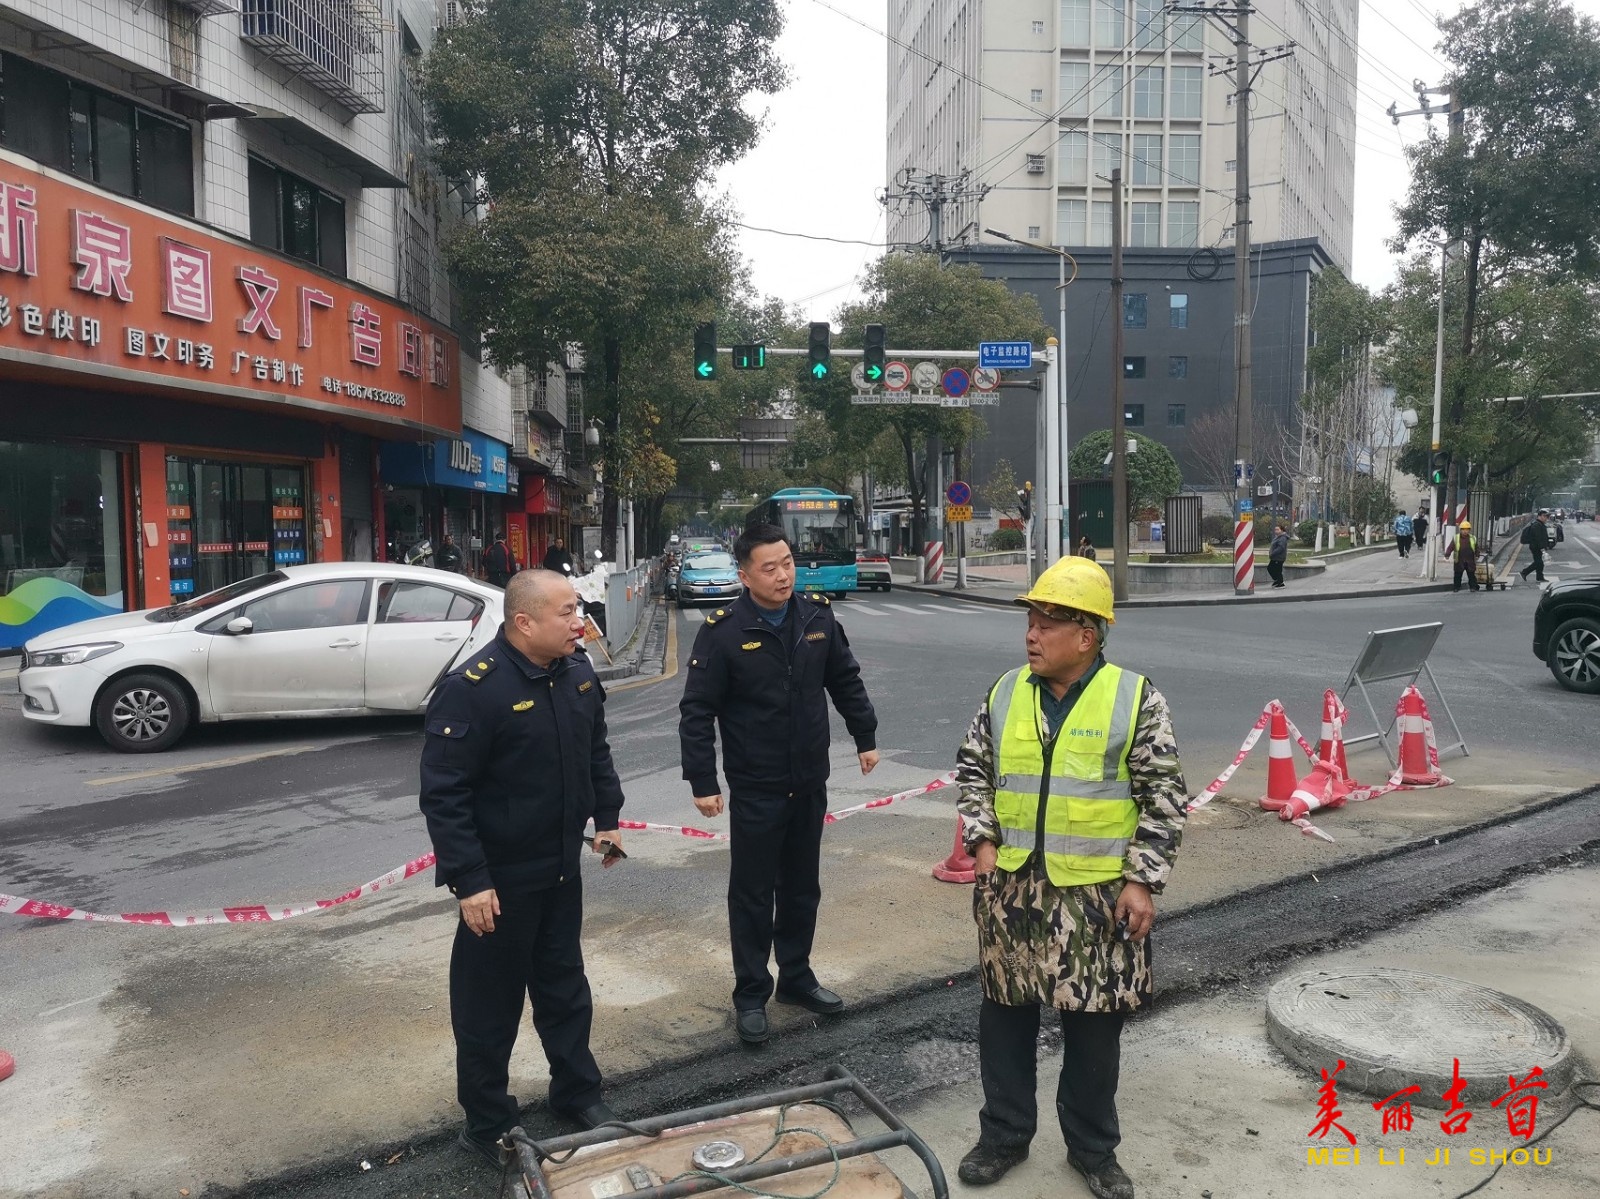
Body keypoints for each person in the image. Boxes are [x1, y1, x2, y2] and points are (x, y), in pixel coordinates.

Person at [953, 556, 1187, 1199]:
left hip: (1097, 897)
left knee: (1094, 1026)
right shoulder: (1006, 693)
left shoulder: (1134, 698)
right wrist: (982, 840)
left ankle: (1092, 1150)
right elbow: (973, 771)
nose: (1031, 635)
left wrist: (1143, 881)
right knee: (1005, 1016)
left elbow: (1165, 796)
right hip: (1011, 889)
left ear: (1087, 635)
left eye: (1046, 624)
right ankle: (1004, 1135)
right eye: (1030, 621)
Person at [418, 570, 626, 1164]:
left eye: (578, 610)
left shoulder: (576, 673)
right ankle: (488, 1123)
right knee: (489, 1008)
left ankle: (577, 1093)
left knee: (565, 989)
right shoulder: (473, 689)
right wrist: (470, 881)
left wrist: (608, 820)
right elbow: (445, 794)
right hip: (499, 883)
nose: (580, 622)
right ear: (524, 622)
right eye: (567, 612)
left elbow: (595, 752)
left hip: (561, 868)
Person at [678, 523, 879, 1046]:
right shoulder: (723, 631)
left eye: (787, 563)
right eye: (769, 568)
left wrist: (865, 736)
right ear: (745, 576)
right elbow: (697, 710)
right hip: (757, 786)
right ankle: (750, 993)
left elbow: (845, 679)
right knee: (752, 893)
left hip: (809, 780)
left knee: (801, 886)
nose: (783, 575)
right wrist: (702, 779)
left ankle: (796, 977)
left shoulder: (817, 616)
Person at [1520, 509, 1553, 584]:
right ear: (1539, 516)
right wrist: (1542, 548)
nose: (1546, 518)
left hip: (1537, 546)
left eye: (1547, 516)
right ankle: (1524, 572)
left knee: (1540, 563)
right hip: (1536, 547)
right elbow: (1537, 538)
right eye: (1544, 516)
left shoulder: (1540, 524)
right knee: (1538, 562)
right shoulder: (1536, 525)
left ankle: (1539, 577)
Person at [1451, 519, 1480, 592]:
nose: (1465, 531)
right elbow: (1451, 546)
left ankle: (1473, 587)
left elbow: (1476, 547)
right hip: (1459, 560)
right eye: (1463, 529)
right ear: (1460, 530)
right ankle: (1456, 587)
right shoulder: (1456, 538)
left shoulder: (1472, 538)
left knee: (1471, 574)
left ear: (1469, 530)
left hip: (1470, 560)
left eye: (1467, 529)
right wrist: (1447, 554)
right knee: (1458, 574)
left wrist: (1477, 554)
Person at [1267, 523, 1289, 589]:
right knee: (1270, 568)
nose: (1276, 531)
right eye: (1275, 529)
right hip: (1274, 557)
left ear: (1282, 530)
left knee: (1277, 570)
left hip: (1279, 557)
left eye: (1278, 529)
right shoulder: (1277, 537)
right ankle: (1277, 580)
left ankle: (1280, 583)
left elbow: (1280, 548)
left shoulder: (1283, 538)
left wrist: (1273, 553)